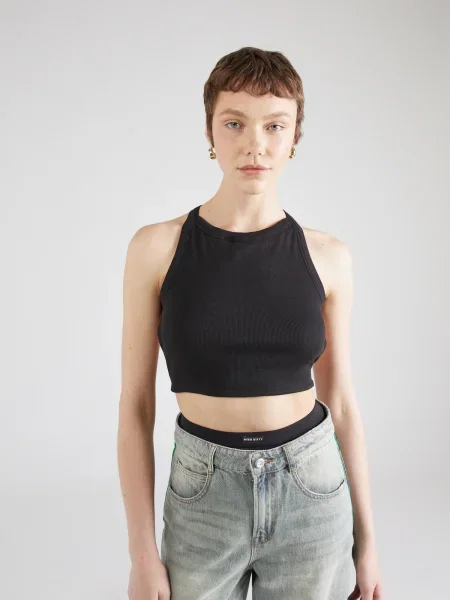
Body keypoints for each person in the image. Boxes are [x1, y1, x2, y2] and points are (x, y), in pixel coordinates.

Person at [118, 46, 383, 600]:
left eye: (274, 126)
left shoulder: (328, 257)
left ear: (294, 138)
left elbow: (342, 402)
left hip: (312, 492)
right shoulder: (157, 248)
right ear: (210, 132)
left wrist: (368, 543)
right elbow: (136, 407)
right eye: (235, 123)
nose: (254, 144)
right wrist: (142, 554)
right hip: (202, 496)